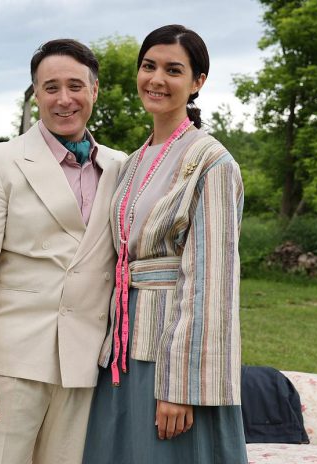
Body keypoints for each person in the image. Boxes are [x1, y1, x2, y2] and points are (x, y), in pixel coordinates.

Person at [0, 38, 125, 464]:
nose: (64, 99)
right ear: (35, 93)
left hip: (85, 367)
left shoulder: (121, 166)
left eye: (75, 86)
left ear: (94, 91)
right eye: (51, 87)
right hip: (11, 363)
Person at [83, 25, 248, 463]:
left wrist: (183, 388)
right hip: (123, 341)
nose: (157, 79)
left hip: (171, 352)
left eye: (173, 70)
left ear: (197, 82)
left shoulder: (212, 162)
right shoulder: (134, 161)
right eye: (149, 66)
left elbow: (211, 282)